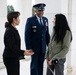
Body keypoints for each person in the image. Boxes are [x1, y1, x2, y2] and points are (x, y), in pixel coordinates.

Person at [25, 3, 50, 75]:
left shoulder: (45, 20)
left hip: (42, 48)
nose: (41, 12)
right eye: (39, 11)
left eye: (42, 11)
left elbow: (46, 34)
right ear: (35, 11)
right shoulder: (30, 20)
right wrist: (29, 48)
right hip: (34, 48)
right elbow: (27, 35)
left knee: (40, 65)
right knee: (34, 66)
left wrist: (49, 46)